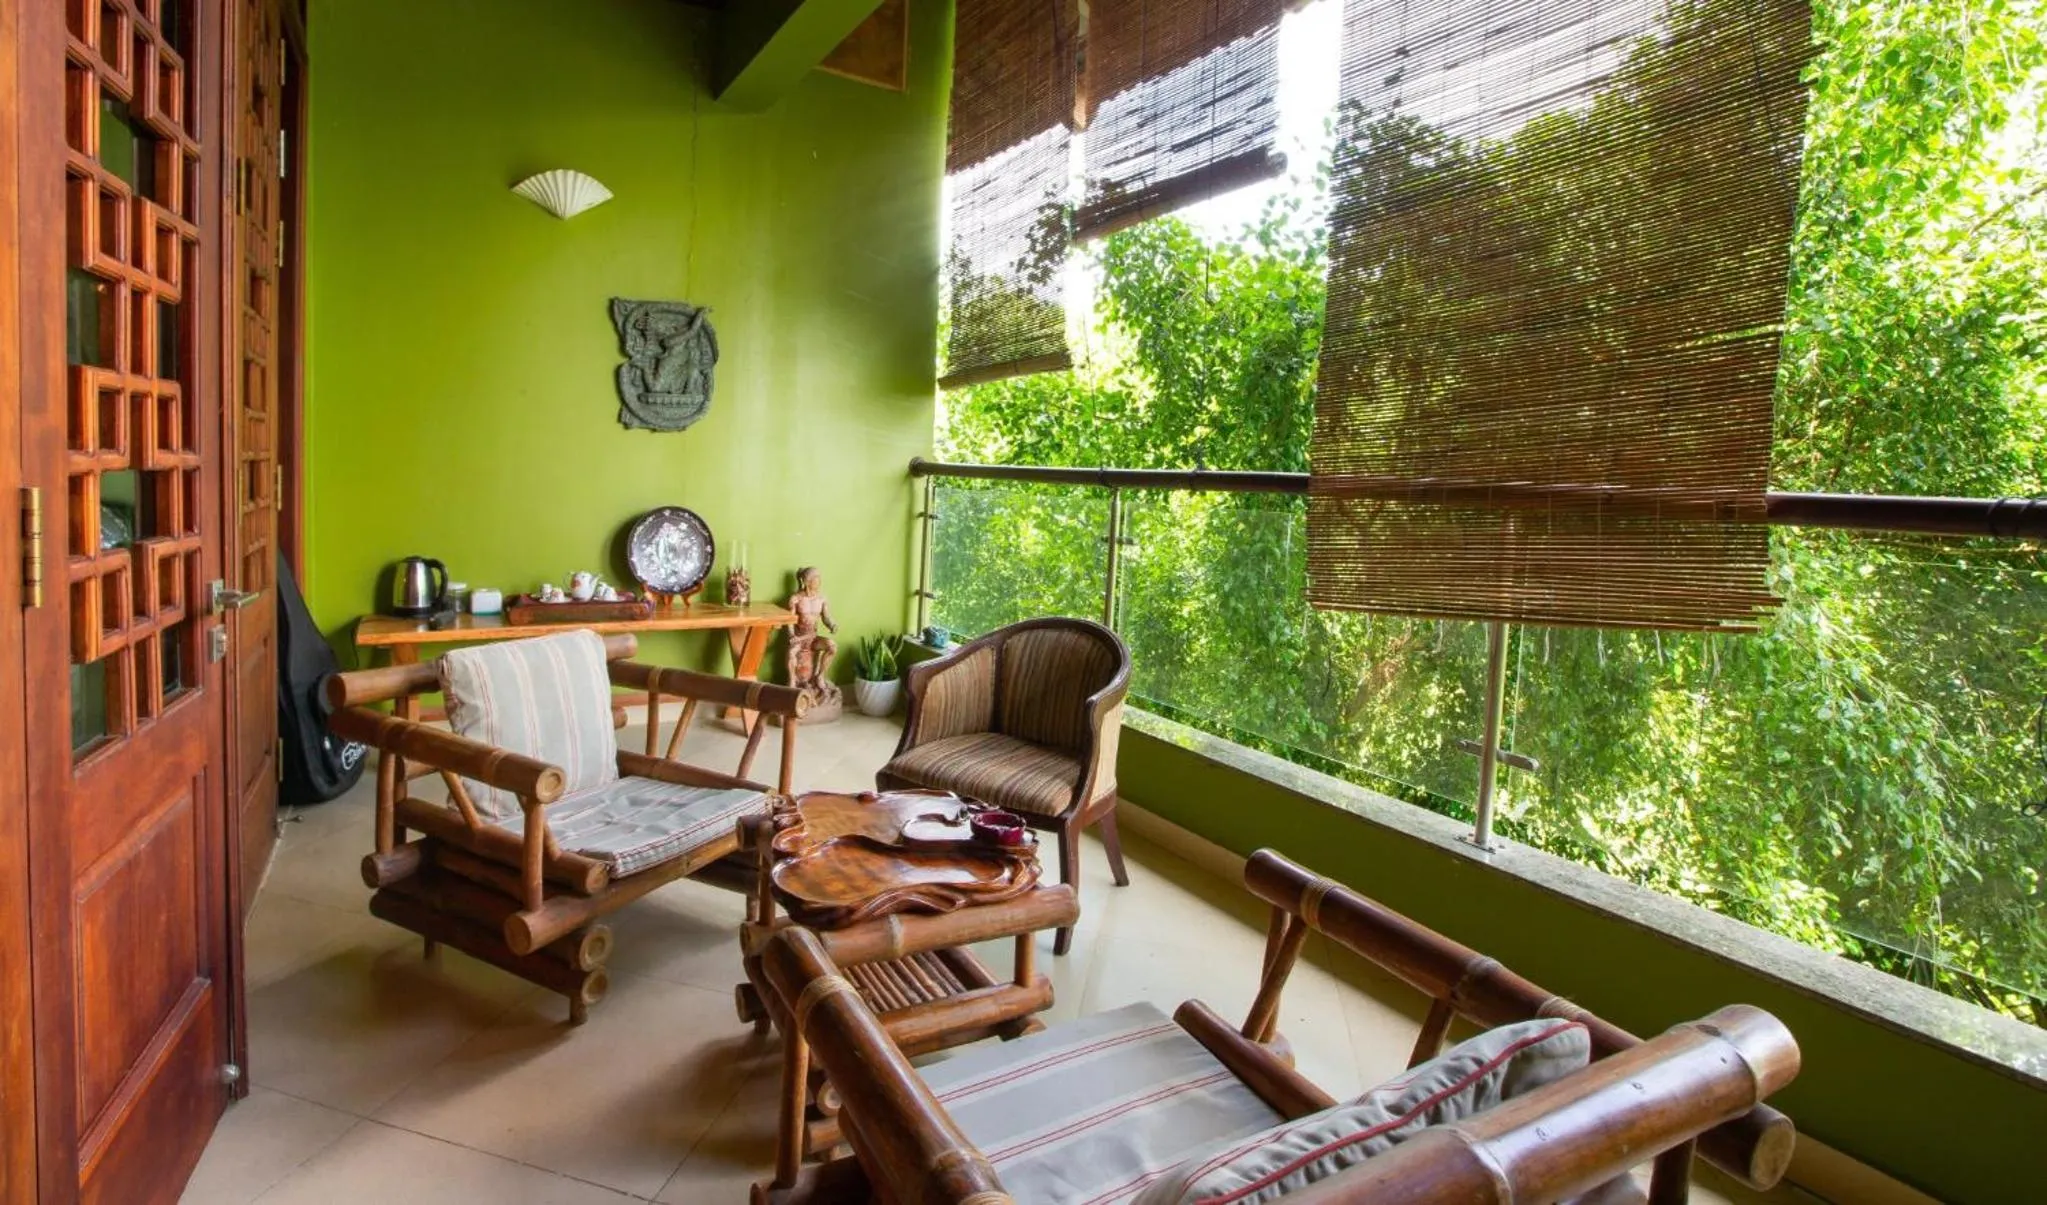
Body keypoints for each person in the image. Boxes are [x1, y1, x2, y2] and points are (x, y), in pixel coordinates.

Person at [786, 567, 840, 709]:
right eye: (816, 579)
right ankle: (792, 683)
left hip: (813, 638)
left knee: (832, 646)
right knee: (791, 653)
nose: (818, 582)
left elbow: (826, 617)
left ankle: (820, 676)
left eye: (819, 579)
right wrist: (791, 635)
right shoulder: (796, 599)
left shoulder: (822, 599)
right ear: (807, 581)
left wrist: (832, 625)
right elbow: (790, 620)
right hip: (799, 638)